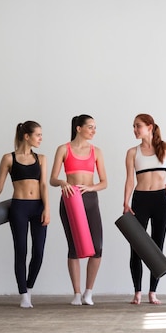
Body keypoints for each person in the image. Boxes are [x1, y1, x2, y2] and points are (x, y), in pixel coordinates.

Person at [0, 121, 50, 308]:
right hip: (19, 207)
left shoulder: (42, 158)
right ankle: (23, 295)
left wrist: (47, 208)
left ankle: (29, 287)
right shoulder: (8, 158)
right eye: (38, 135)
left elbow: (44, 185)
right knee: (21, 251)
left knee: (39, 252)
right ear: (26, 136)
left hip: (38, 207)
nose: (41, 138)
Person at [50, 114, 107, 306]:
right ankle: (76, 293)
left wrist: (91, 188)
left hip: (90, 199)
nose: (93, 130)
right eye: (90, 127)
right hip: (70, 199)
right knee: (74, 248)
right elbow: (52, 179)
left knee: (97, 247)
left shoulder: (96, 151)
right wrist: (63, 182)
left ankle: (88, 292)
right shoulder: (63, 149)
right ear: (78, 128)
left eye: (94, 127)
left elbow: (104, 182)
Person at [124, 113, 166, 305]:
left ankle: (153, 292)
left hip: (159, 200)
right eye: (133, 126)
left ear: (149, 126)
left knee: (157, 247)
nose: (134, 129)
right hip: (140, 199)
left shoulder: (164, 148)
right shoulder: (132, 152)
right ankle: (137, 291)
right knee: (136, 247)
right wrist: (126, 202)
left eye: (137, 126)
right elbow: (130, 179)